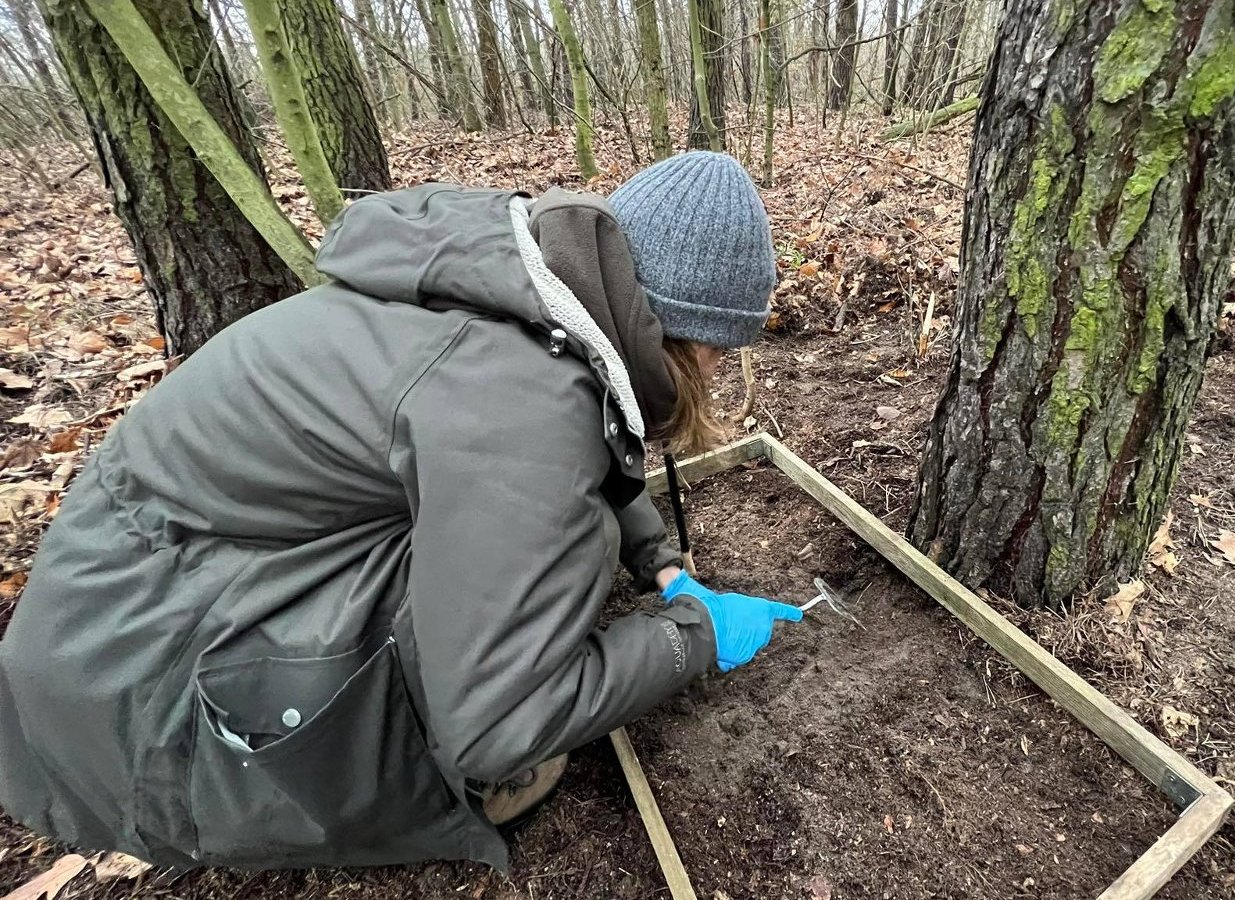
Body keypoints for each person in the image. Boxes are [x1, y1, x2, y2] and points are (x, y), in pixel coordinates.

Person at [0, 152, 804, 870]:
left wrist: (657, 559)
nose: (719, 365)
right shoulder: (518, 404)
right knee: (568, 549)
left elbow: (568, 450)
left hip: (138, 577)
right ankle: (370, 779)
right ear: (670, 329)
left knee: (550, 538)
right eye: (717, 348)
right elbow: (499, 723)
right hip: (135, 680)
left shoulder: (518, 294)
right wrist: (692, 637)